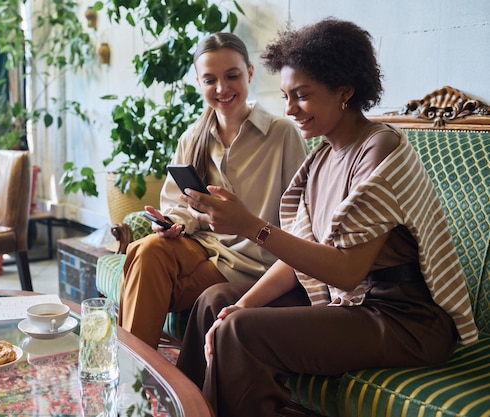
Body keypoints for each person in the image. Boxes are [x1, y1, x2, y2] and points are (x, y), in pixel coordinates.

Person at [175, 18, 479, 417]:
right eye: (285, 96)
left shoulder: (381, 149)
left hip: (404, 318)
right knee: (216, 303)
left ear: (344, 91)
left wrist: (251, 226)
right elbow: (302, 254)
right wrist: (244, 302)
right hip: (351, 303)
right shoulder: (320, 157)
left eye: (302, 95)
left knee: (240, 333)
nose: (289, 110)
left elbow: (348, 271)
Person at [118, 32, 308, 348]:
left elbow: (302, 217)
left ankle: (134, 375)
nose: (222, 88)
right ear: (198, 82)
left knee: (144, 269)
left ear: (249, 72)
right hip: (201, 246)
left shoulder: (281, 134)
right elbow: (178, 205)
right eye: (210, 80)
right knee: (146, 248)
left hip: (249, 262)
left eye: (232, 76)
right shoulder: (192, 138)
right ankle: (136, 377)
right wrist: (170, 224)